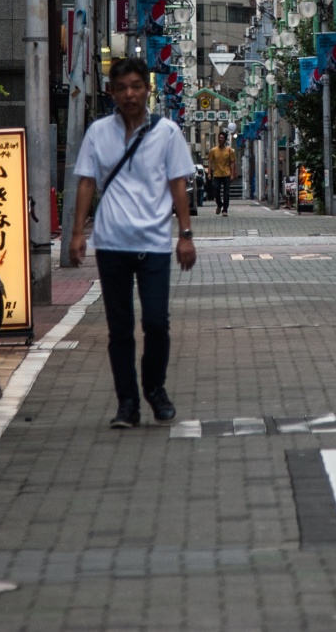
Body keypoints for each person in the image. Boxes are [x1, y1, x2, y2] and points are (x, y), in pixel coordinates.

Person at [67, 57, 197, 428]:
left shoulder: (168, 133)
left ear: (147, 89)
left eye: (136, 86)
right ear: (111, 92)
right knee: (119, 328)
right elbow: (87, 182)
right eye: (121, 87)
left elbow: (177, 185)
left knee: (156, 322)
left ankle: (154, 388)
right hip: (111, 242)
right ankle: (127, 404)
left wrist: (185, 236)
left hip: (154, 241)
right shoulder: (98, 133)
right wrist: (78, 234)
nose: (129, 94)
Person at [206, 140, 236, 215]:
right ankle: (219, 204)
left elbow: (232, 162)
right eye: (219, 137)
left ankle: (225, 210)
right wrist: (209, 173)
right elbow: (209, 161)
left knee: (226, 193)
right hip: (217, 174)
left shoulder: (229, 150)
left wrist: (232, 174)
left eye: (222, 137)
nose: (220, 139)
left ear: (225, 140)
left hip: (226, 174)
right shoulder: (213, 150)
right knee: (216, 192)